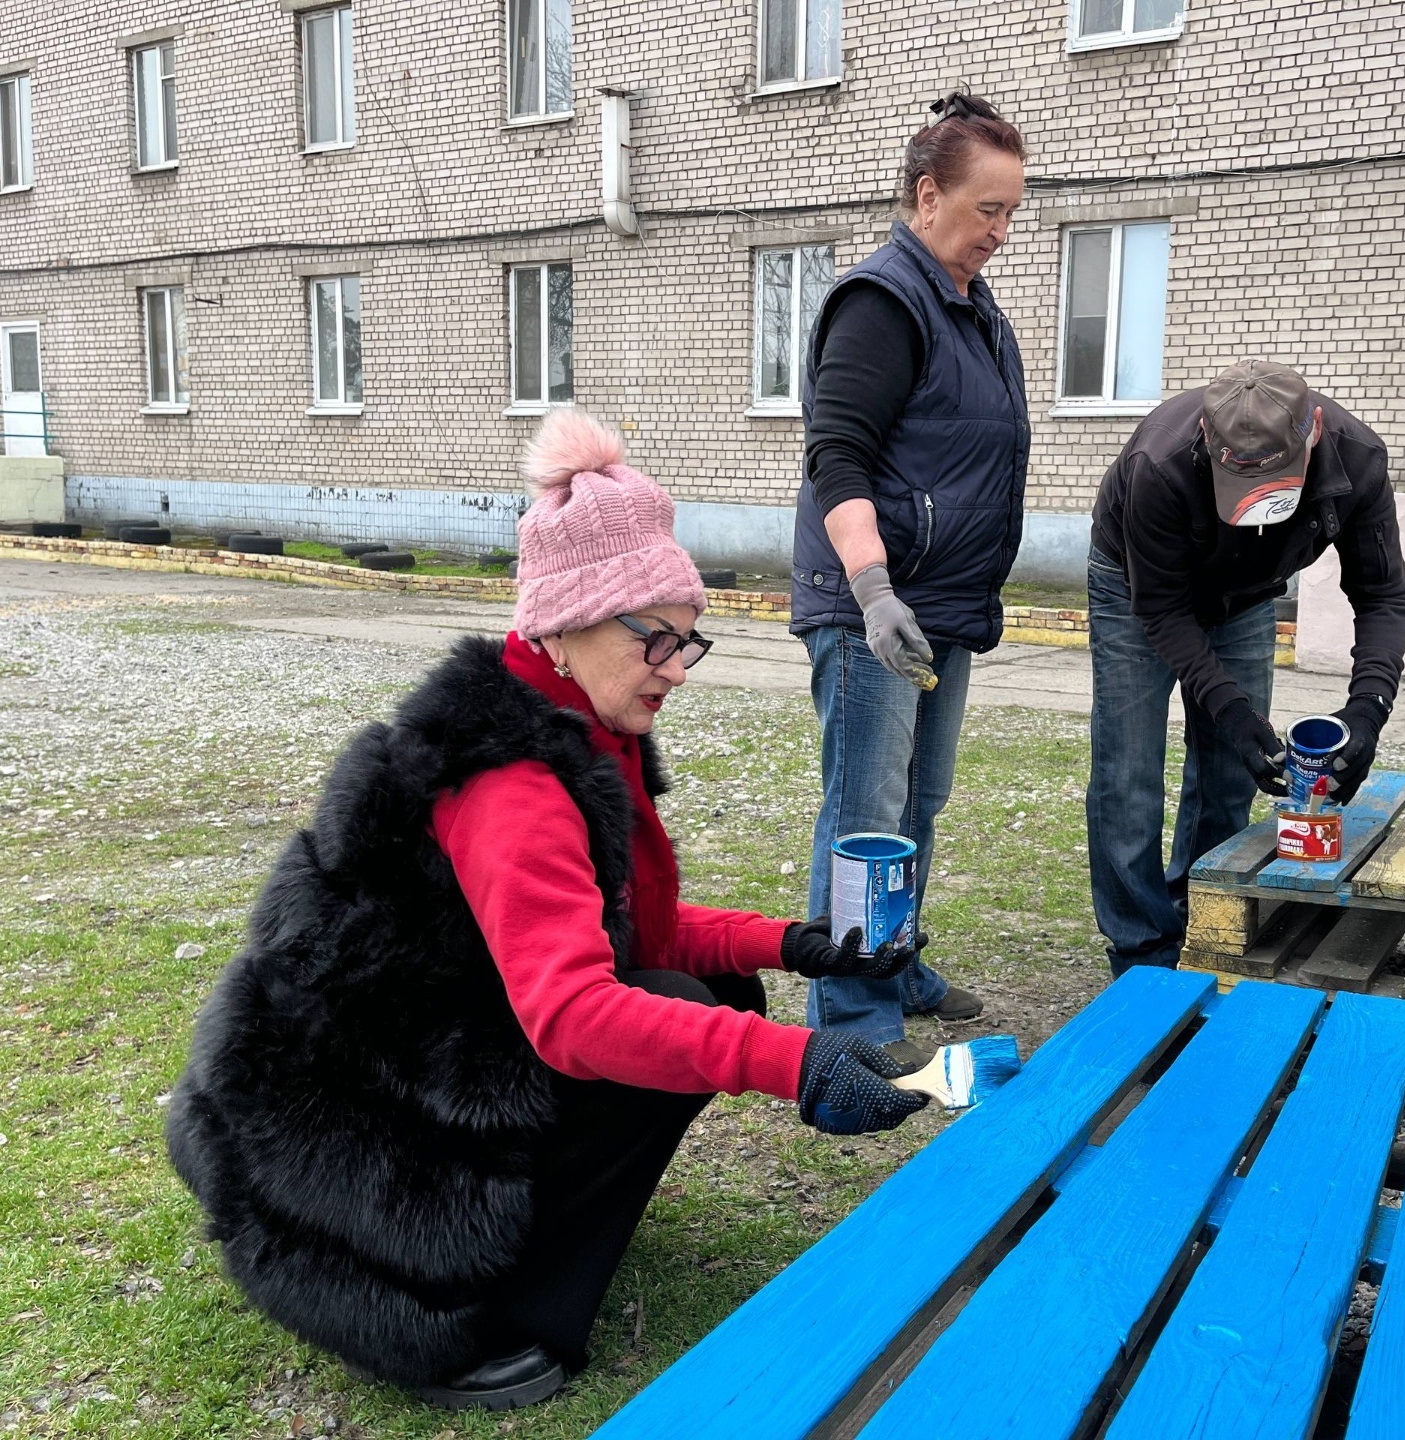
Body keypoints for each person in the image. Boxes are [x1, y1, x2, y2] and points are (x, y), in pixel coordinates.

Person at [166, 410, 927, 1412]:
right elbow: (571, 1015)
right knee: (673, 1016)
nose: (673, 667)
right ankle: (472, 1312)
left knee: (715, 988)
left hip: (446, 1052)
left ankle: (543, 1230)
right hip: (351, 1139)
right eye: (655, 639)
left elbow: (640, 930)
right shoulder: (509, 785)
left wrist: (800, 947)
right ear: (567, 623)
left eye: (684, 641)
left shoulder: (580, 730)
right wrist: (796, 1065)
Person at [790, 93, 1031, 1064]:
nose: (1002, 233)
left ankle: (894, 962)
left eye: (1013, 211)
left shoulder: (969, 310)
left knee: (917, 805)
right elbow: (836, 456)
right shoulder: (882, 302)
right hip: (874, 609)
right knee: (865, 816)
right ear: (927, 195)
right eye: (988, 210)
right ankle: (850, 1017)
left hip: (944, 608)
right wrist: (874, 591)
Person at [1086, 360, 1405, 973]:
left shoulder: (1358, 460)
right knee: (1127, 769)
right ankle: (1141, 952)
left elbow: (1383, 594)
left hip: (1249, 595)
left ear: (1312, 431)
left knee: (1232, 775)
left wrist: (1368, 710)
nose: (1260, 505)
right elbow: (1160, 609)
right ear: (1209, 442)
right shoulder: (1158, 463)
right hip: (1135, 588)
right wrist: (1232, 709)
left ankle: (1204, 920)